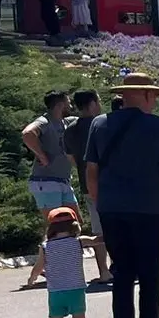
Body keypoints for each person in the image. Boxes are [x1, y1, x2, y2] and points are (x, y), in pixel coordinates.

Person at [83, 73, 159, 318]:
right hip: (148, 208)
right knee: (150, 273)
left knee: (122, 272)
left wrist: (103, 203)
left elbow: (91, 171)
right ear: (146, 95)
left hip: (112, 209)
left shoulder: (99, 124)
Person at [22, 91, 77, 287]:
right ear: (60, 103)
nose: (70, 104)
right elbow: (28, 134)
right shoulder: (44, 122)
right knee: (57, 225)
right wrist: (42, 156)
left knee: (73, 222)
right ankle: (45, 268)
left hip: (63, 180)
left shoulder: (64, 122)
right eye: (68, 101)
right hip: (45, 181)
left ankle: (45, 264)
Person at [39, 207, 98, 318]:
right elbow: (96, 241)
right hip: (76, 289)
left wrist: (32, 279)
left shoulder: (45, 246)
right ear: (74, 224)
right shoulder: (79, 241)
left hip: (56, 292)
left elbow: (39, 267)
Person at [63, 90, 109, 283]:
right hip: (111, 183)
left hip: (87, 184)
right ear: (91, 104)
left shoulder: (70, 129)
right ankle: (122, 266)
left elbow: (70, 157)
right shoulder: (104, 125)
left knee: (99, 229)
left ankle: (104, 271)